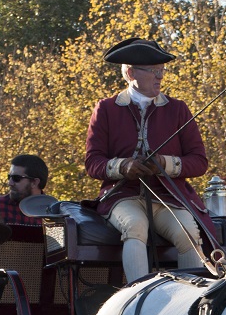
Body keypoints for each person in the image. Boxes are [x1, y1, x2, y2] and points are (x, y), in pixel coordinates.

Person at [85, 37, 211, 282]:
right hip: (123, 197)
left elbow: (199, 161)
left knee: (188, 233)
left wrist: (164, 163)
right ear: (131, 73)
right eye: (154, 71)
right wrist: (124, 166)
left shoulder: (178, 109)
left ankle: (190, 304)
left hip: (168, 198)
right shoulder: (106, 109)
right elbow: (93, 162)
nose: (160, 77)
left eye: (161, 71)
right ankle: (138, 300)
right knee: (135, 226)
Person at [0, 154, 48, 226]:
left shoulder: (54, 211)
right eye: (9, 177)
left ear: (34, 182)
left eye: (16, 178)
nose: (10, 183)